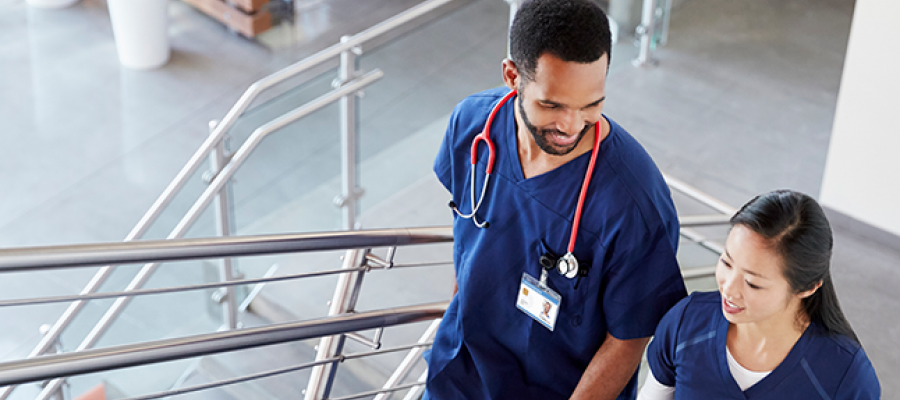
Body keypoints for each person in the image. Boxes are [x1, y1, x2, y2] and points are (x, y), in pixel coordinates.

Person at [424, 0, 687, 398]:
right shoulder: (473, 126)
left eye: (591, 105)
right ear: (512, 75)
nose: (570, 125)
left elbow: (628, 340)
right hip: (457, 377)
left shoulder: (633, 203)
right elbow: (468, 239)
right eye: (552, 104)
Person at [639, 190, 881, 399]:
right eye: (726, 262)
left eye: (752, 283)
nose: (728, 288)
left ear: (807, 287)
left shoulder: (846, 376)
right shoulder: (687, 323)